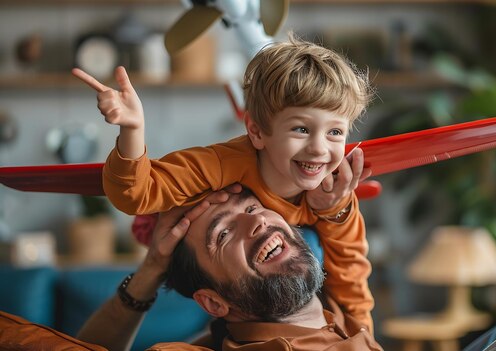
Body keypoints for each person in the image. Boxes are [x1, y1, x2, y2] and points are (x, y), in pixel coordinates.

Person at [72, 33, 376, 330]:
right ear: (256, 132)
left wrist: (364, 336)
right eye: (301, 129)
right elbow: (135, 193)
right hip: (180, 234)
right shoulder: (221, 164)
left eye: (335, 132)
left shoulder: (335, 191)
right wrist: (132, 130)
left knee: (312, 245)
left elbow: (350, 272)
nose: (320, 149)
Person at [77, 187, 496, 351]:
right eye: (224, 235)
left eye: (251, 209)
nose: (255, 224)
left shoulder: (335, 306)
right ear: (216, 303)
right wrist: (151, 270)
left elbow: (341, 233)